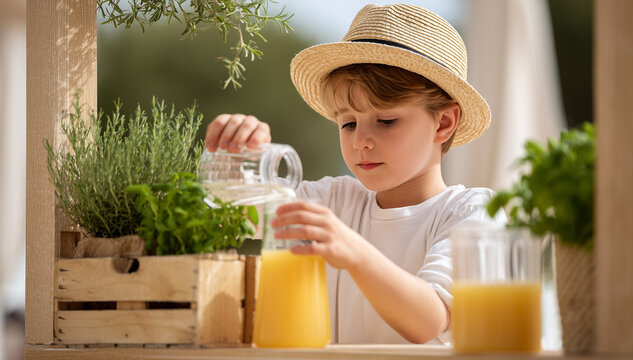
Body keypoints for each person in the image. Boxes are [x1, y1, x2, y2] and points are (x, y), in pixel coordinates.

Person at [204, 3, 505, 345]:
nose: (361, 141)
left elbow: (429, 319)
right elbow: (227, 212)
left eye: (386, 121)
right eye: (347, 122)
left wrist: (353, 251)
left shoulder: (471, 213)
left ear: (444, 123)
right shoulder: (332, 202)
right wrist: (231, 156)